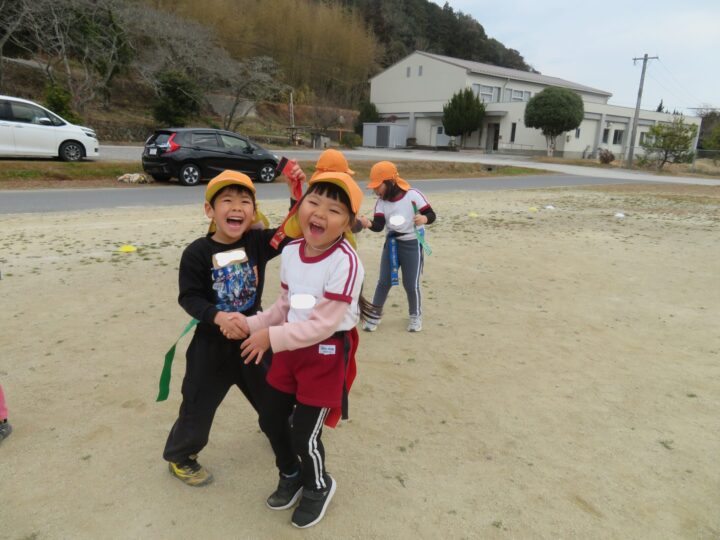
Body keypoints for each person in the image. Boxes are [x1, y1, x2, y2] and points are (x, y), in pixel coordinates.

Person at [238, 166, 379, 528]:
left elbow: (323, 324)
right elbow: (286, 305)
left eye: (334, 210)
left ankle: (318, 485)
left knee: (304, 432)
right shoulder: (291, 252)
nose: (320, 213)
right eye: (313, 202)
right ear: (300, 207)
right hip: (290, 347)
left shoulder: (345, 262)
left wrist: (271, 337)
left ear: (348, 223)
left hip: (325, 353)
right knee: (270, 417)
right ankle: (290, 473)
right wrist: (251, 324)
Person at [163, 168, 300, 487]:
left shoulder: (258, 242)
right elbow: (189, 296)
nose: (236, 206)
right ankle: (181, 456)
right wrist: (218, 317)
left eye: (244, 201)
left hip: (253, 339)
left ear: (254, 212)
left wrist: (296, 193)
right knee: (197, 404)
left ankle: (280, 432)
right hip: (211, 346)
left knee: (275, 396)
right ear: (209, 210)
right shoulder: (197, 252)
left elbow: (291, 232)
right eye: (227, 200)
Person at [358, 161, 436, 332]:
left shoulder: (413, 195)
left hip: (412, 244)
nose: (375, 191)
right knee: (383, 281)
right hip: (392, 244)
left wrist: (424, 218)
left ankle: (415, 316)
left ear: (390, 182)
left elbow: (431, 214)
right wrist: (367, 223)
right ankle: (374, 315)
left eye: (378, 186)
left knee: (411, 283)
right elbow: (379, 225)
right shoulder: (381, 202)